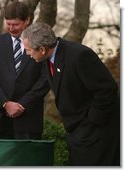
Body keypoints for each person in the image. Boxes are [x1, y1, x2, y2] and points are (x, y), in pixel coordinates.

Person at [21, 22, 120, 166]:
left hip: (97, 133)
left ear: (42, 49)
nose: (27, 53)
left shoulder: (80, 55)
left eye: (28, 50)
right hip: (78, 132)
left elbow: (107, 89)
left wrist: (92, 121)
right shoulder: (47, 59)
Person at [0, 2, 50, 140]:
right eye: (8, 24)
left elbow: (45, 79)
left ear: (27, 21)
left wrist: (22, 105)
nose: (11, 28)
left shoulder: (41, 44)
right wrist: (6, 104)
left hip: (28, 120)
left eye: (16, 24)